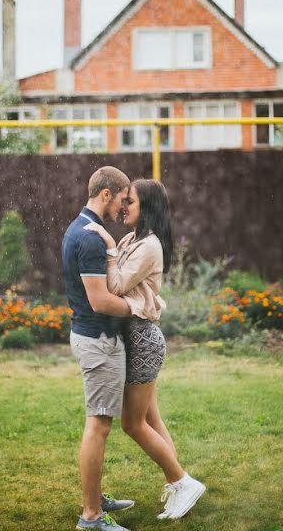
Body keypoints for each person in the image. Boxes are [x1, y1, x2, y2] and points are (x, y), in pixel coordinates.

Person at [84, 179, 206, 520]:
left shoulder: (148, 246)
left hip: (142, 340)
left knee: (132, 423)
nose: (124, 207)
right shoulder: (130, 239)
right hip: (134, 337)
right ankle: (180, 483)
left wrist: (107, 247)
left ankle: (182, 481)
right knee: (150, 418)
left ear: (147, 208)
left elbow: (118, 284)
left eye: (131, 202)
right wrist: (115, 246)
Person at [62, 166, 136, 531]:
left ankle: (95, 497)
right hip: (99, 341)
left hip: (95, 338)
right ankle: (91, 516)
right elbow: (101, 301)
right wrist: (140, 309)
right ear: (106, 194)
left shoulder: (84, 230)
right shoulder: (89, 238)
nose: (124, 207)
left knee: (100, 422)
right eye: (123, 198)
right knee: (99, 425)